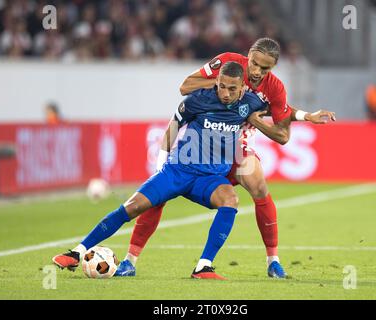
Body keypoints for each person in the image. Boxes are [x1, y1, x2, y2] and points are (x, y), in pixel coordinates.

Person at [117, 38, 336, 278]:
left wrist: (301, 116)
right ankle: (130, 260)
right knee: (161, 194)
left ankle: (273, 260)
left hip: (235, 144)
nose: (256, 72)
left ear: (273, 67)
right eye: (254, 64)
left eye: (265, 69)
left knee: (257, 183)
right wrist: (229, 83)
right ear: (248, 55)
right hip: (203, 140)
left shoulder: (274, 87)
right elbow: (186, 86)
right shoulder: (228, 61)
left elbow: (280, 123)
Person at [53, 62, 268, 280]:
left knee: (230, 199)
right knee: (132, 206)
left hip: (210, 179)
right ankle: (77, 252)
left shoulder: (251, 103)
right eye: (222, 86)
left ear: (242, 88)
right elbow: (173, 127)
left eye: (232, 89)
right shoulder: (198, 100)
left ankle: (203, 266)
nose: (226, 93)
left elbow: (280, 109)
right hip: (177, 171)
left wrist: (300, 116)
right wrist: (160, 166)